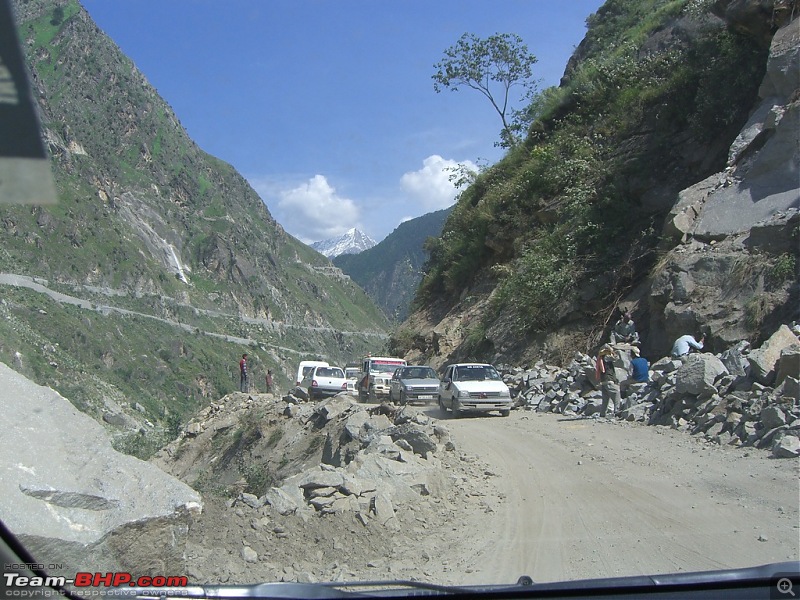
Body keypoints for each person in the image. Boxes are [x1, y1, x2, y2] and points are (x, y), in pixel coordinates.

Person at [595, 345, 621, 418]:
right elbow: (616, 358)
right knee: (616, 393)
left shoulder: (601, 358)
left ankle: (602, 414)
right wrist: (612, 351)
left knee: (605, 398)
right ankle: (617, 410)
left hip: (603, 380)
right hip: (608, 379)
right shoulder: (606, 357)